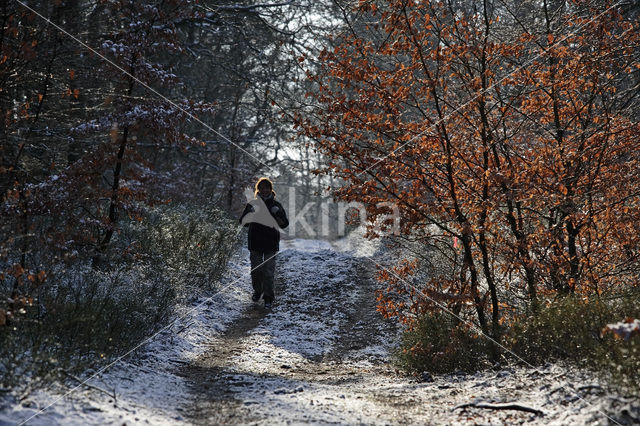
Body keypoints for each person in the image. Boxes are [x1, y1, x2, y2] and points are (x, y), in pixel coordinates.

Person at [239, 177, 289, 309]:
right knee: (256, 270)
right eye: (262, 187)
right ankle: (257, 291)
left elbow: (284, 224)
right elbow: (243, 223)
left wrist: (277, 214)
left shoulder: (276, 205)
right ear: (258, 190)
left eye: (267, 187)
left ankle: (268, 298)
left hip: (271, 242)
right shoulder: (252, 204)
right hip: (255, 242)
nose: (265, 190)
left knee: (268, 271)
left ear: (271, 190)